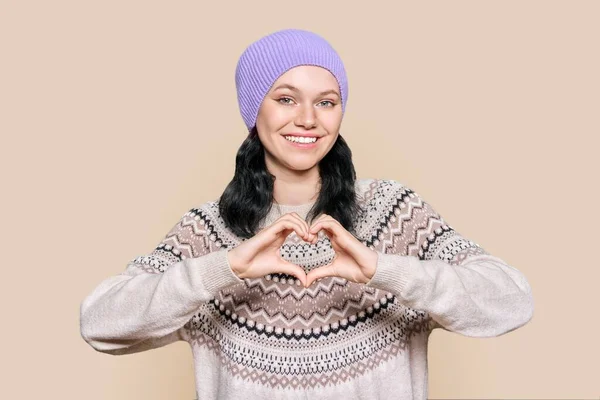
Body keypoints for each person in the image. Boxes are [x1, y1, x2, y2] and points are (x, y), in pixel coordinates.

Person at [80, 28, 534, 400]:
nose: (308, 119)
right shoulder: (208, 231)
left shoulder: (393, 211)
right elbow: (99, 323)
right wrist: (223, 269)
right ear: (252, 109)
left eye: (326, 101)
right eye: (285, 98)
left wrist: (387, 271)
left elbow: (513, 300)